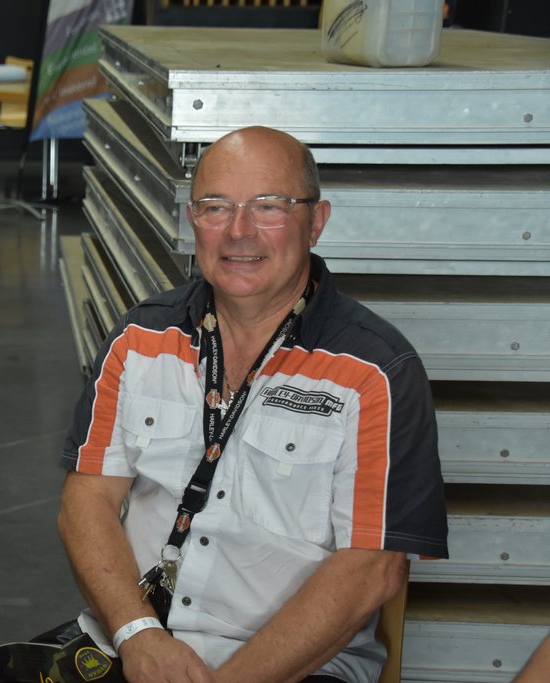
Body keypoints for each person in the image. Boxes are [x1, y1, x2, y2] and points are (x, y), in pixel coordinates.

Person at [54, 126, 448, 683]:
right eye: (216, 207)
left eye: (269, 206)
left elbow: (373, 569)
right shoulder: (139, 338)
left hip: (293, 668)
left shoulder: (377, 373)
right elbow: (86, 499)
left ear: (317, 221)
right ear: (192, 219)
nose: (239, 231)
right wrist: (137, 634)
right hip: (134, 644)